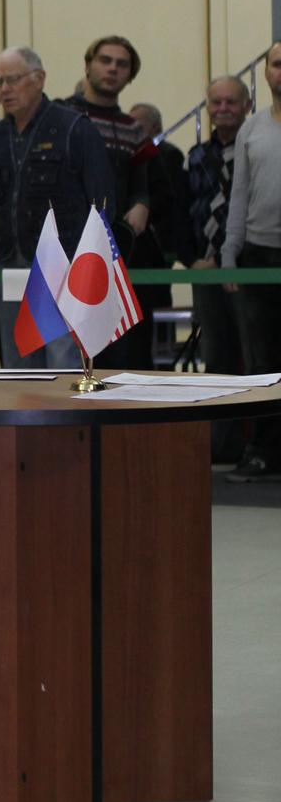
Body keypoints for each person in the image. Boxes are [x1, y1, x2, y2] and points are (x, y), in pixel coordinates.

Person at [0, 48, 114, 367]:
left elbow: (102, 198)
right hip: (10, 262)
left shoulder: (73, 128)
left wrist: (92, 262)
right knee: (18, 360)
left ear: (39, 79)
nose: (4, 89)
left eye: (12, 80)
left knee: (62, 357)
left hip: (64, 263)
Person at [62, 35, 162, 367]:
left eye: (122, 64)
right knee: (67, 360)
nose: (112, 69)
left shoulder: (134, 129)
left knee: (120, 358)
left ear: (130, 75)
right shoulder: (60, 116)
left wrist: (141, 205)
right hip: (64, 254)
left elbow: (141, 186)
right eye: (105, 60)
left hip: (115, 255)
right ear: (88, 65)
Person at [177, 76, 252, 462]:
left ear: (247, 105)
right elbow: (186, 211)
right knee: (217, 357)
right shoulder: (196, 156)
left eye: (231, 102)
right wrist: (194, 260)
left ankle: (259, 445)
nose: (223, 109)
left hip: (245, 273)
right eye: (216, 102)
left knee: (255, 357)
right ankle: (222, 447)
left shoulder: (257, 150)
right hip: (205, 270)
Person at [221, 42, 281, 480]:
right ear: (266, 72)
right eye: (278, 63)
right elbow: (238, 195)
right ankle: (262, 451)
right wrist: (228, 252)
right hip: (258, 253)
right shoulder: (252, 129)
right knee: (262, 360)